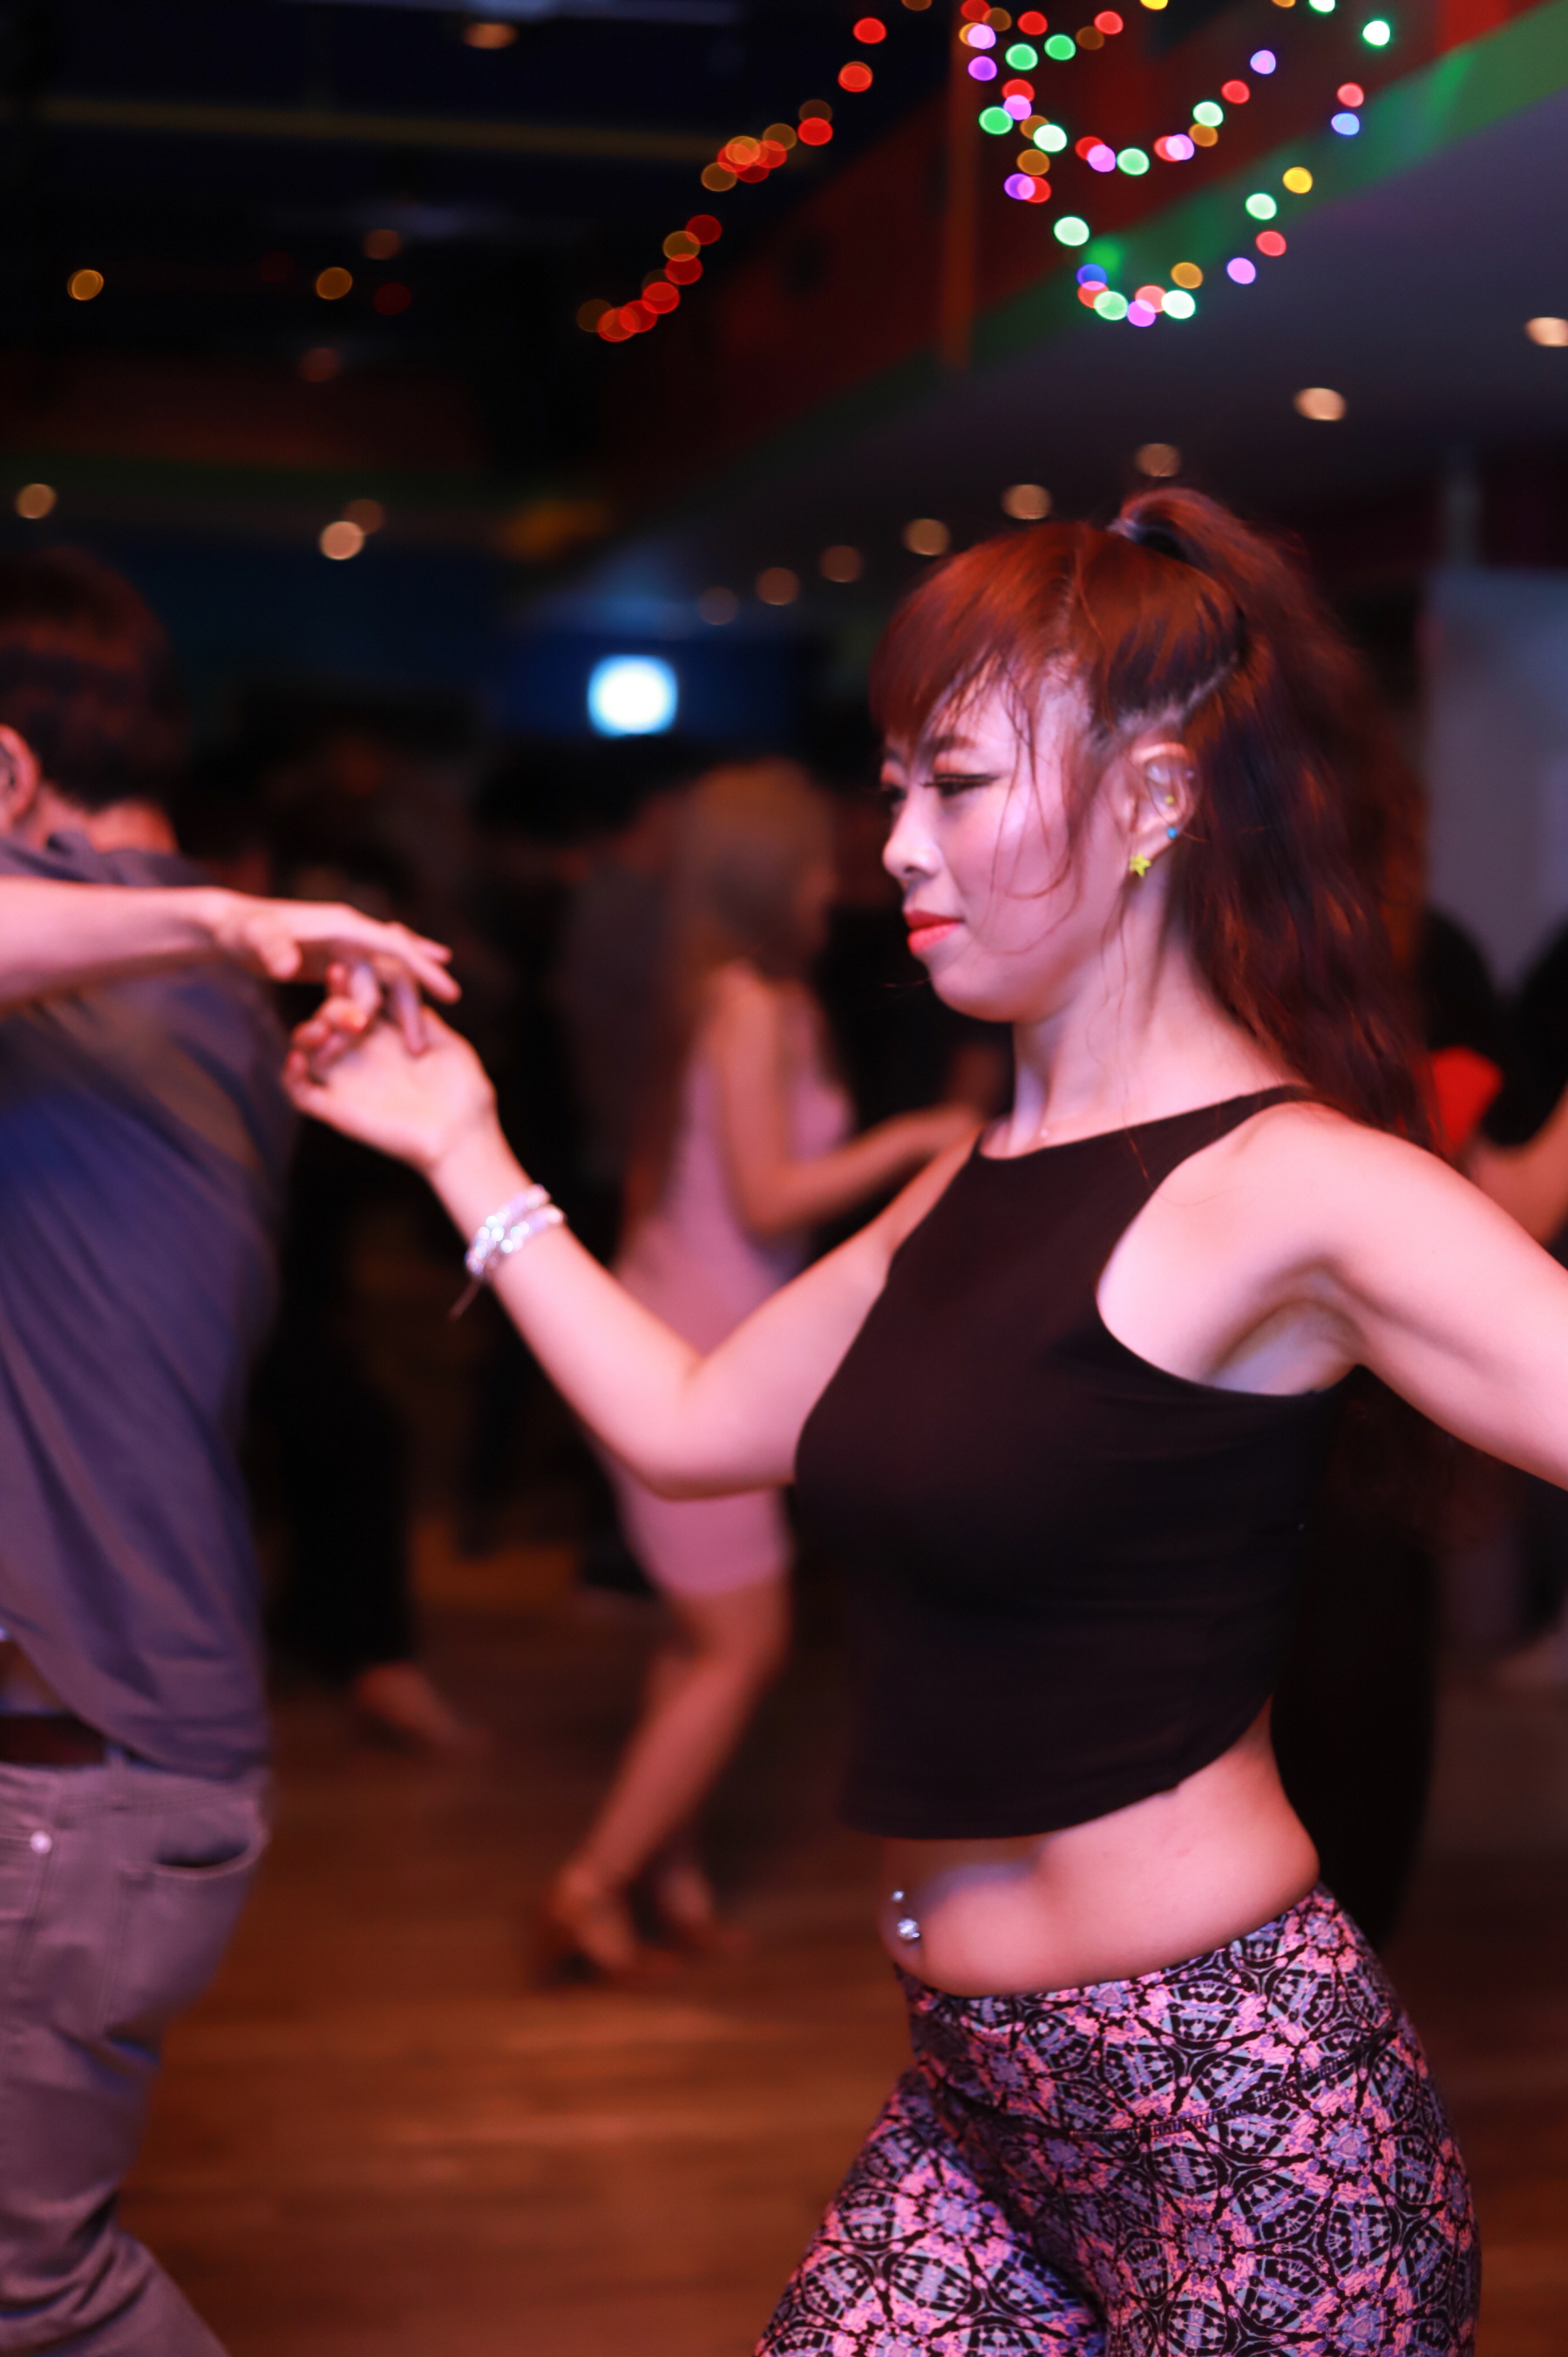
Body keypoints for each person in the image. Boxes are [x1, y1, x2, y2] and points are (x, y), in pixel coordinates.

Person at [282, 488, 1548, 2350]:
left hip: (1244, 2117)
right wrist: (462, 1147)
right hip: (981, 2098)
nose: (896, 844)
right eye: (893, 787)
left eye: (955, 784)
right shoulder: (970, 1178)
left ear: (1156, 801)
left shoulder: (1295, 1185)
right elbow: (690, 1421)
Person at [0, 547, 455, 2357]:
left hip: (80, 1772)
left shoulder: (122, 962)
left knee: (32, 2290)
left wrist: (212, 912)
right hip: (110, 1739)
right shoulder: (173, 965)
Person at [553, 760, 971, 1975]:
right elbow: (766, 1197)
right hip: (700, 1356)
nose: (842, 874)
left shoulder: (730, 994)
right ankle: (589, 1886)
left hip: (694, 1333)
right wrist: (921, 1137)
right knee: (745, 1643)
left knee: (696, 1642)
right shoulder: (746, 1004)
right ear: (768, 874)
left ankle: (668, 1876)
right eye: (816, 858)